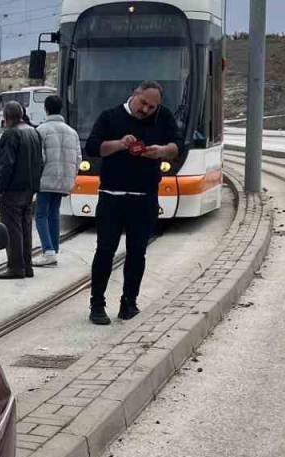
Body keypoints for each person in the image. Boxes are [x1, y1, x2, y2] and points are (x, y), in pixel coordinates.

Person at [84, 80, 181, 325]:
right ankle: (97, 304)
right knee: (105, 250)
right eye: (143, 103)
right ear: (133, 95)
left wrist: (162, 151)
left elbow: (177, 145)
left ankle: (129, 303)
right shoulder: (110, 117)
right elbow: (93, 147)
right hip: (112, 196)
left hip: (145, 196)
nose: (146, 110)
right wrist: (119, 144)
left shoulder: (164, 116)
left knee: (138, 252)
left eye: (152, 107)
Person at [0, 101, 44, 280]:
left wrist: (0, 188)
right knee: (25, 226)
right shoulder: (33, 131)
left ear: (6, 117)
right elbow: (41, 160)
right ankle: (27, 265)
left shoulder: (11, 134)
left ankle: (16, 267)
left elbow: (6, 164)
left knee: (13, 228)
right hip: (29, 187)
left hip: (13, 189)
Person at [33, 94, 81, 268]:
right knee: (54, 213)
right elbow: (78, 158)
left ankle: (48, 251)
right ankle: (54, 247)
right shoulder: (72, 132)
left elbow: (40, 158)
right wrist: (71, 177)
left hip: (46, 179)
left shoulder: (41, 130)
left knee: (40, 215)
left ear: (46, 109)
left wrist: (35, 178)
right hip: (64, 181)